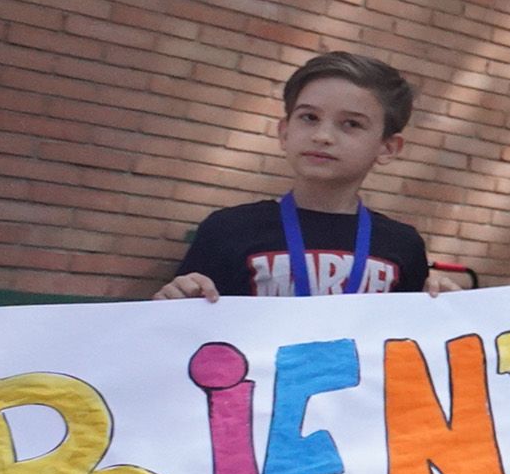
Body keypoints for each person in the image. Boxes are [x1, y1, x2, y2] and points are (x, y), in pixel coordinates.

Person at [159, 51, 435, 299]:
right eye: (309, 118)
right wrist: (172, 306)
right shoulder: (227, 230)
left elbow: (412, 346)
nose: (322, 136)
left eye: (351, 124)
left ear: (387, 148)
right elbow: (186, 340)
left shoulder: (403, 245)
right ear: (284, 132)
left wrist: (447, 309)